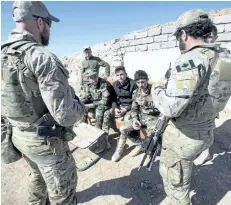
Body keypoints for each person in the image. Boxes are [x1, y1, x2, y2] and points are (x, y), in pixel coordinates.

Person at [1, 1, 86, 205]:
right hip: (45, 143)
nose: (49, 29)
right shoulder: (41, 57)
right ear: (40, 23)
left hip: (19, 137)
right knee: (63, 193)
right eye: (49, 23)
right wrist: (80, 107)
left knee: (37, 177)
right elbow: (65, 114)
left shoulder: (3, 54)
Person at [151, 10, 231, 205]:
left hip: (184, 138)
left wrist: (158, 88)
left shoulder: (190, 60)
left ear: (184, 34)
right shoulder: (225, 56)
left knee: (177, 188)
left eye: (179, 36)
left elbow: (171, 108)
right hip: (207, 131)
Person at [112, 70, 160, 162]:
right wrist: (135, 119)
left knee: (151, 143)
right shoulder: (136, 92)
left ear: (147, 80)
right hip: (141, 116)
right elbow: (134, 109)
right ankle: (120, 151)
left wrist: (147, 103)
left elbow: (162, 107)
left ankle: (143, 147)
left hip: (153, 118)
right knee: (123, 129)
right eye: (138, 82)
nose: (141, 85)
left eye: (143, 82)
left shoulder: (155, 90)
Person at [194, 24, 218, 166]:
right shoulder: (205, 52)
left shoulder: (213, 53)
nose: (207, 39)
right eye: (205, 36)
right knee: (202, 125)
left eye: (210, 36)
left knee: (207, 126)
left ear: (215, 37)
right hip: (203, 96)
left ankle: (206, 153)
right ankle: (202, 149)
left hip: (209, 97)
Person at [102, 65, 137, 140]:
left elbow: (136, 101)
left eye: (122, 74)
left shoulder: (133, 84)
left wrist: (126, 109)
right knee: (106, 113)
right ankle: (105, 137)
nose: (120, 77)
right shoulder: (115, 84)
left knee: (127, 119)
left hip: (130, 107)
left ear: (126, 74)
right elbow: (113, 98)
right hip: (119, 106)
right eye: (118, 75)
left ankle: (133, 138)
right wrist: (115, 108)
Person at [82, 69, 113, 151]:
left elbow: (104, 101)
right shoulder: (88, 85)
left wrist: (90, 105)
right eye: (91, 77)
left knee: (98, 114)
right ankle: (85, 134)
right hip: (96, 103)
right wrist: (81, 102)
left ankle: (102, 144)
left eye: (95, 76)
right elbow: (87, 97)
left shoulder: (104, 84)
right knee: (81, 110)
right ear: (88, 79)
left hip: (106, 105)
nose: (94, 79)